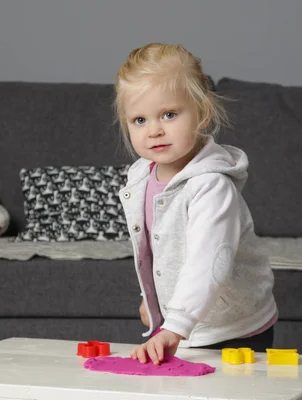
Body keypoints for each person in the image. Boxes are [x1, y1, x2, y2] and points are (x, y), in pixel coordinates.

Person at [114, 43, 277, 365]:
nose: (155, 130)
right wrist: (155, 301)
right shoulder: (141, 178)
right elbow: (160, 249)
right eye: (139, 120)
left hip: (234, 326)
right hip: (186, 322)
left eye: (169, 114)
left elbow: (208, 261)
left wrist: (175, 325)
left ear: (202, 113)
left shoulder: (211, 186)